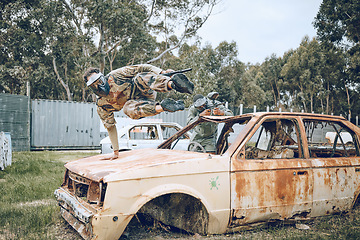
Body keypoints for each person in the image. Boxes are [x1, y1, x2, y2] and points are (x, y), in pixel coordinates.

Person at [83, 64, 194, 160]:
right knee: (127, 109)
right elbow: (110, 127)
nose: (98, 86)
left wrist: (161, 72)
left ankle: (173, 84)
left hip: (144, 90)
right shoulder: (102, 105)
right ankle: (164, 106)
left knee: (140, 77)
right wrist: (116, 152)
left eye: (99, 81)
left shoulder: (116, 75)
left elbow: (141, 67)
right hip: (140, 105)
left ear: (103, 77)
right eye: (94, 85)